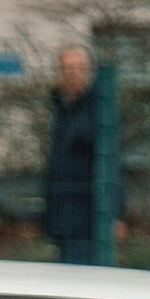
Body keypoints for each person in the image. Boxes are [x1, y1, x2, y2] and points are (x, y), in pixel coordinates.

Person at [43, 42, 104, 263]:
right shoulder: (61, 108)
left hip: (87, 216)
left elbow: (110, 160)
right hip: (61, 215)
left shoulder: (99, 109)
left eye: (79, 68)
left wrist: (115, 212)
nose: (73, 74)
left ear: (89, 72)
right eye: (67, 68)